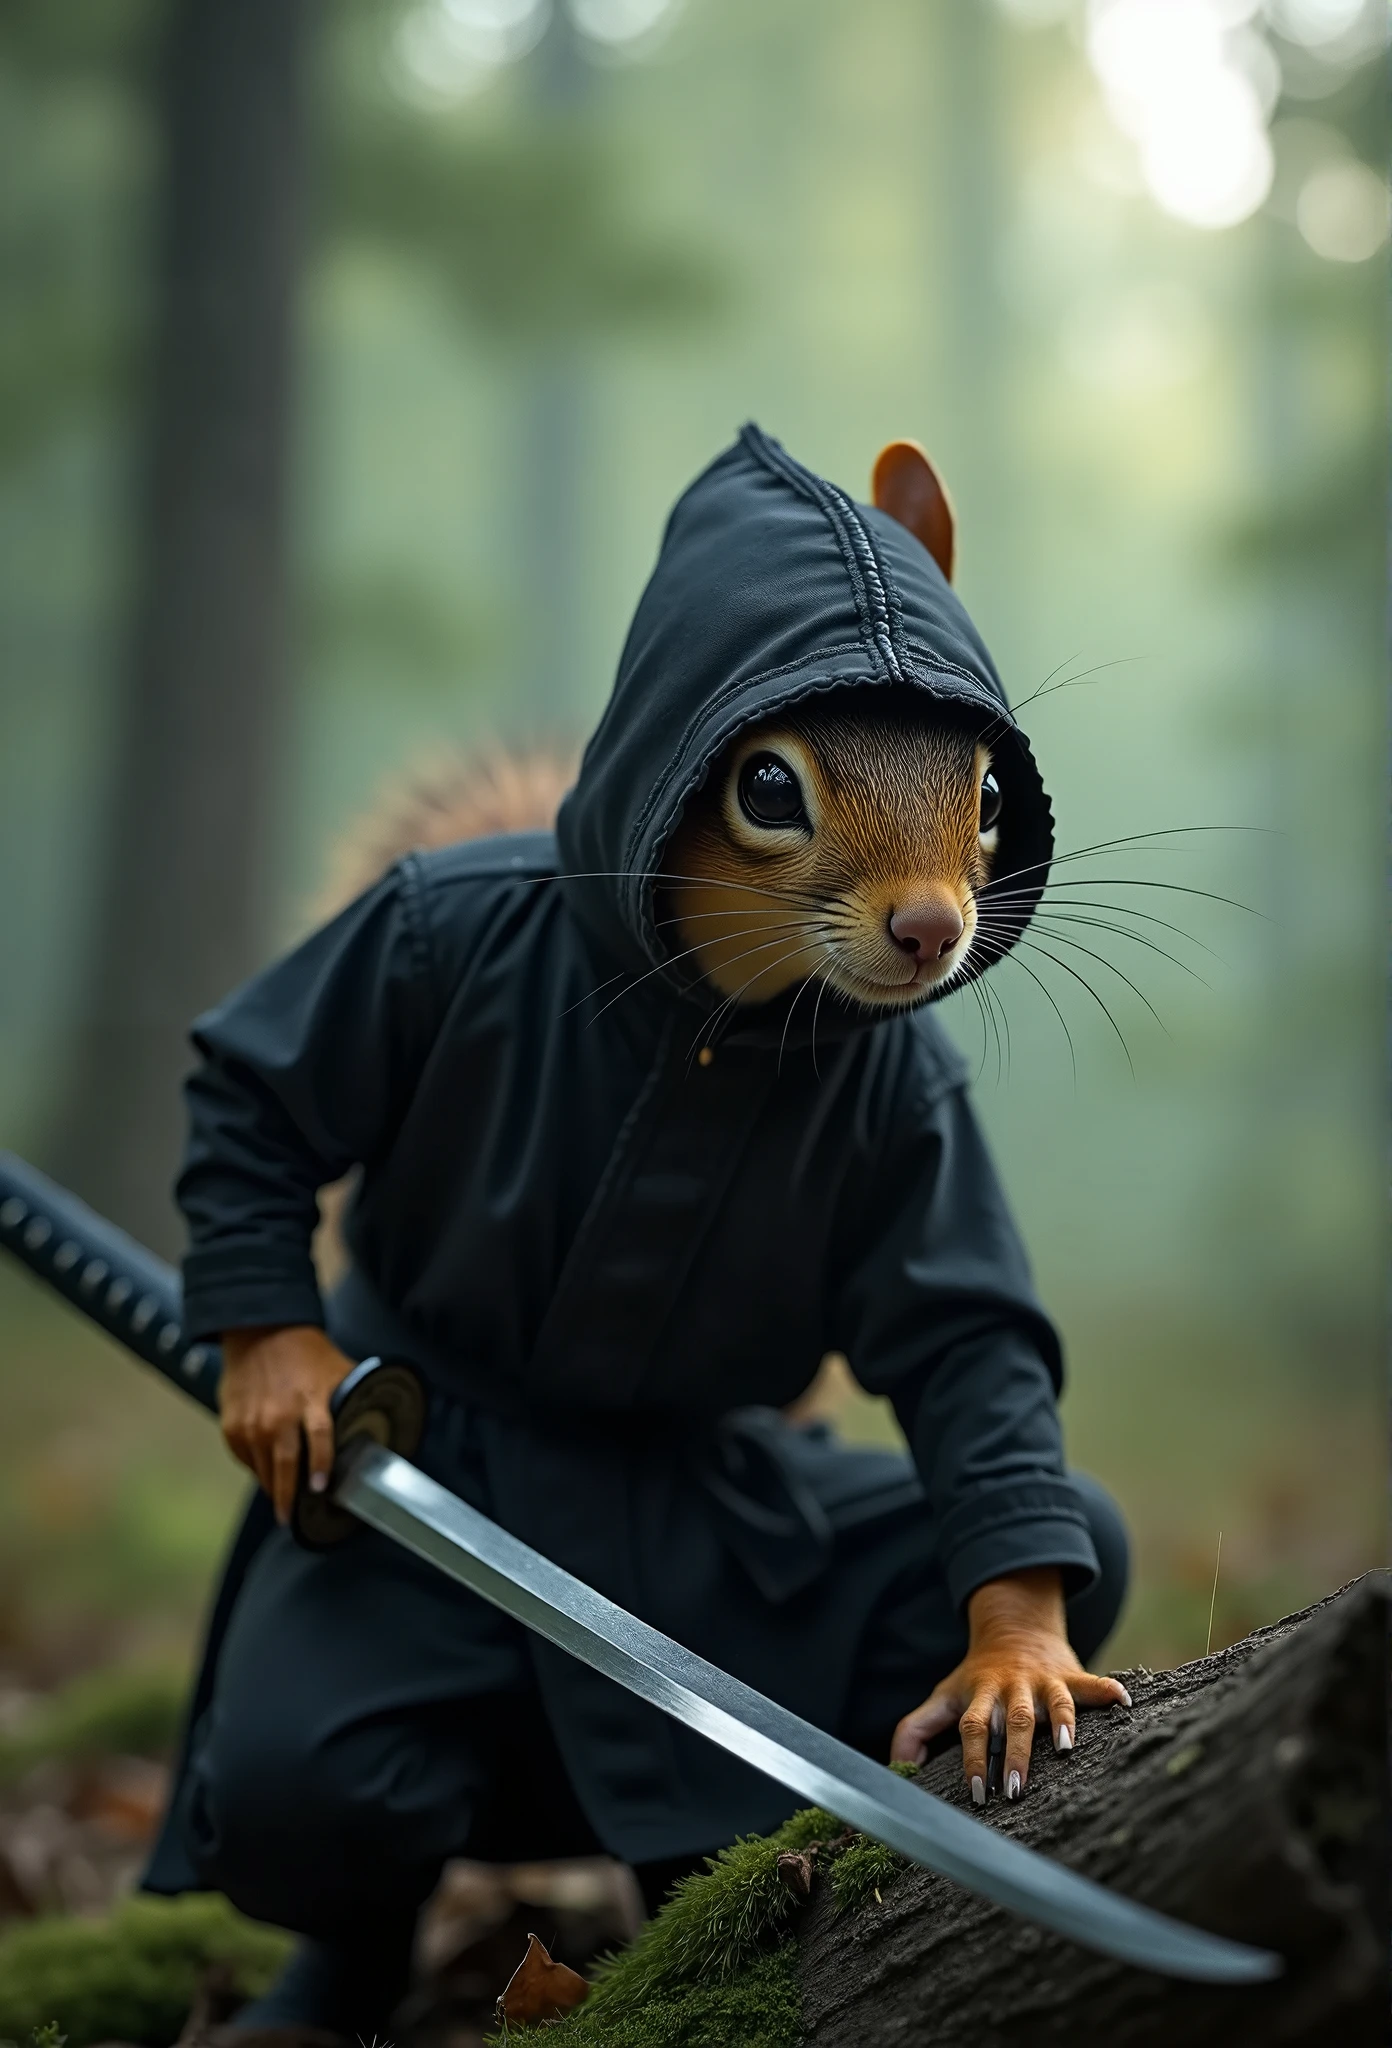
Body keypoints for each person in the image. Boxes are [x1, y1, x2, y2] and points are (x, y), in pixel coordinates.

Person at [143, 426, 1129, 2032]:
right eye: (778, 799)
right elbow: (251, 1095)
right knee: (294, 1782)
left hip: (703, 1509)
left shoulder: (888, 1076)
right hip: (427, 1478)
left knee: (1060, 1544)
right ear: (686, 755)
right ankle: (355, 1949)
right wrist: (269, 1322)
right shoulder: (450, 931)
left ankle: (741, 1887)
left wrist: (1015, 1604)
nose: (926, 904)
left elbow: (965, 1340)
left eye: (969, 817)